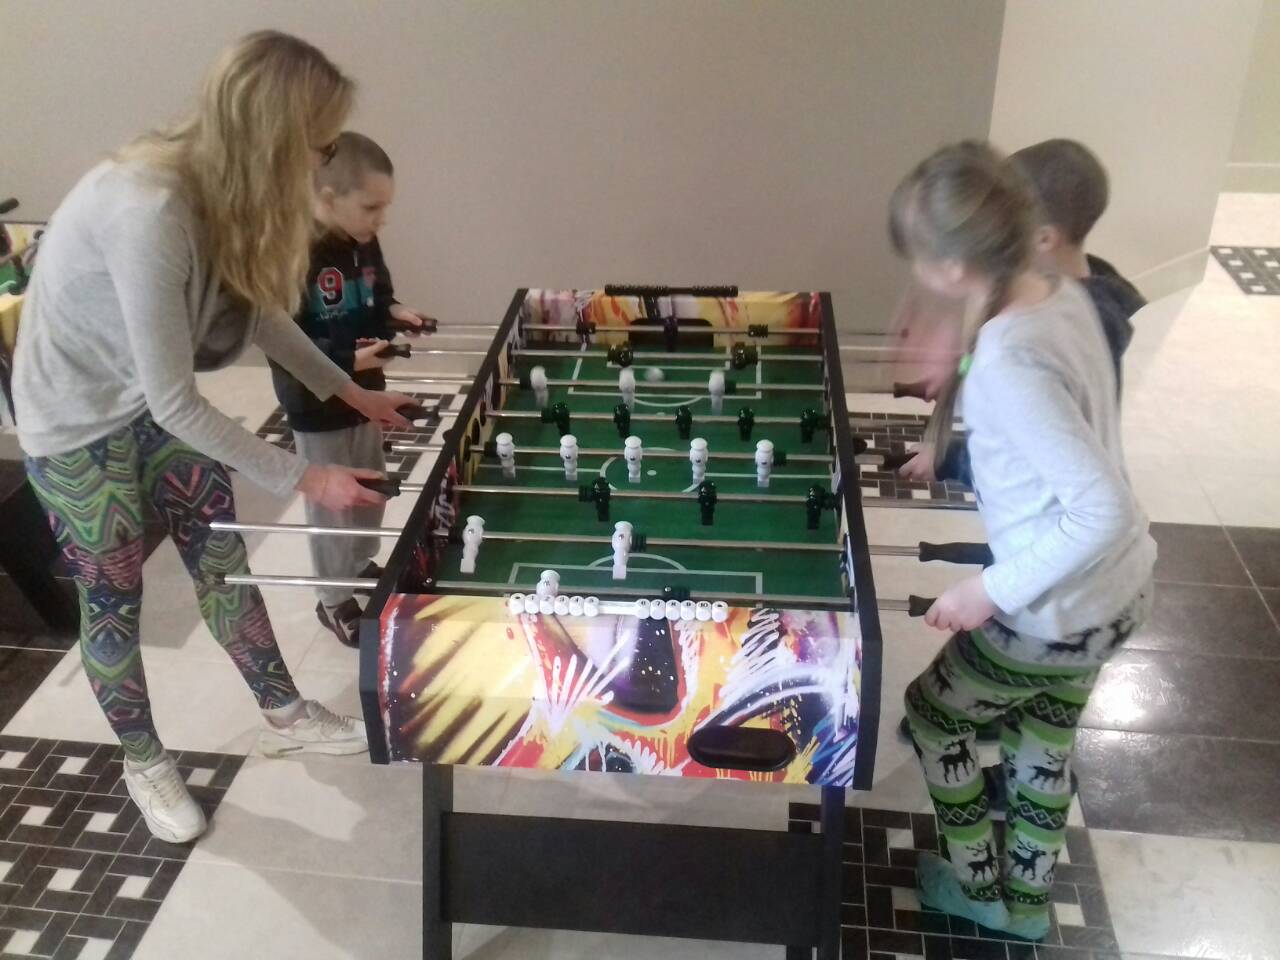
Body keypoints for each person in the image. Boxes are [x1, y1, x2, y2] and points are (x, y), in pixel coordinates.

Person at [12, 32, 413, 845]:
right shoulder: (151, 210)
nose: (323, 163)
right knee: (112, 597)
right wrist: (308, 477)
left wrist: (350, 393)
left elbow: (258, 314)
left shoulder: (223, 195)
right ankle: (144, 761)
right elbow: (177, 401)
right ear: (274, 137)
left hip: (145, 399)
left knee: (222, 561)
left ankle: (284, 710)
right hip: (74, 423)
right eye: (319, 145)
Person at [891, 142, 1156, 940]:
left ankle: (977, 886)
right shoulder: (1064, 289)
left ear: (951, 267)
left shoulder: (1011, 358)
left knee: (933, 716)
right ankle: (1029, 907)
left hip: (1050, 610)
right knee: (1044, 736)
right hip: (1118, 596)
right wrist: (959, 356)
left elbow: (1099, 508)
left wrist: (987, 589)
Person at [898, 138, 1145, 486]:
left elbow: (1042, 452)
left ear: (1044, 238)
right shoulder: (1048, 298)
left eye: (1005, 225)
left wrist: (949, 459)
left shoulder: (1068, 322)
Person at [269, 131, 431, 646]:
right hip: (317, 405)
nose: (380, 220)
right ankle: (333, 598)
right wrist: (351, 360)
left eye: (384, 209)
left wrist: (396, 313)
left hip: (367, 393)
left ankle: (358, 563)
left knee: (370, 488)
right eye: (371, 208)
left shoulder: (363, 240)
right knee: (332, 504)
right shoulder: (291, 253)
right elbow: (286, 341)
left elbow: (378, 296)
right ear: (328, 198)